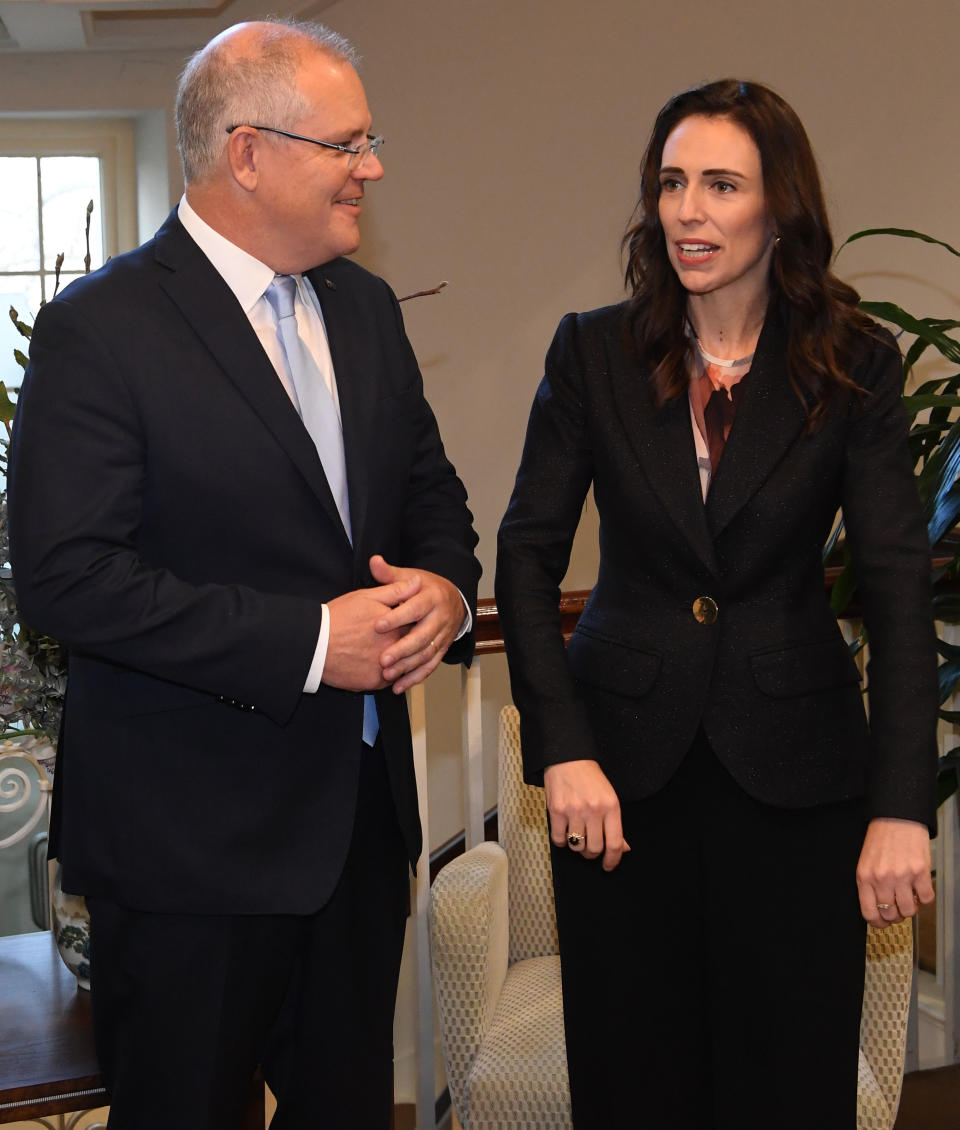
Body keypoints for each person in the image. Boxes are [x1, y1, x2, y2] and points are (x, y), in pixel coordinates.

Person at [8, 18, 480, 1130]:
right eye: (349, 144)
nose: (374, 167)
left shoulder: (364, 308)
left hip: (356, 841)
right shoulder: (100, 329)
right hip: (186, 859)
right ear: (249, 152)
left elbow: (434, 502)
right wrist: (316, 643)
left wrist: (445, 595)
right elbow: (68, 578)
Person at [495, 78, 937, 1129]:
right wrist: (562, 750)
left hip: (800, 780)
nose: (689, 210)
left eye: (721, 184)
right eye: (672, 183)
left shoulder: (855, 362)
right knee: (634, 1079)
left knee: (789, 1082)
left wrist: (902, 805)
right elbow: (523, 556)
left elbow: (898, 590)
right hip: (619, 784)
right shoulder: (592, 352)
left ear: (777, 207)